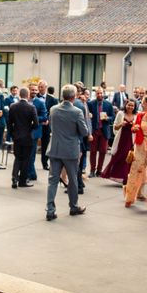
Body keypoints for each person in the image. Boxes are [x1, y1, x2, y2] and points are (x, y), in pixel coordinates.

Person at [45, 84, 89, 221]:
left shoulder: (53, 109)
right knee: (73, 180)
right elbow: (84, 132)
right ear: (74, 96)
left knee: (52, 180)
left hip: (55, 148)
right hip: (70, 150)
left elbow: (51, 126)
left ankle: (50, 210)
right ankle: (73, 206)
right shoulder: (77, 112)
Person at [7, 87, 38, 188]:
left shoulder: (13, 106)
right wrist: (29, 128)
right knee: (25, 159)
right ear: (28, 95)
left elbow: (9, 123)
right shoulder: (31, 107)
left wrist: (12, 134)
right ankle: (22, 181)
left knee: (17, 158)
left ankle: (14, 178)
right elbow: (36, 124)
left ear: (19, 95)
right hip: (27, 136)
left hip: (16, 136)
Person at [101, 99, 136, 184]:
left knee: (129, 157)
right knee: (120, 156)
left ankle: (126, 177)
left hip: (131, 139)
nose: (130, 107)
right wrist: (121, 124)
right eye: (129, 105)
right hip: (121, 138)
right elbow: (115, 127)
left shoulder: (137, 115)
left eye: (132, 105)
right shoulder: (121, 113)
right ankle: (118, 175)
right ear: (125, 105)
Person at [87, 87, 114, 177]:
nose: (99, 95)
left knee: (103, 151)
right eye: (98, 93)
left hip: (104, 130)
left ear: (103, 93)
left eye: (101, 93)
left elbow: (112, 117)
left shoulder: (108, 104)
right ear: (95, 94)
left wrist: (108, 118)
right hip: (94, 130)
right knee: (93, 151)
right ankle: (92, 170)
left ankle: (99, 170)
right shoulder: (90, 104)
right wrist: (89, 116)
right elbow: (87, 116)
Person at [27, 82, 48, 181]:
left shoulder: (40, 102)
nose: (34, 92)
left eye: (36, 90)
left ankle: (29, 174)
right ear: (28, 90)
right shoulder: (24, 101)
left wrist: (33, 119)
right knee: (24, 154)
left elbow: (44, 117)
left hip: (34, 131)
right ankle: (32, 174)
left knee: (31, 154)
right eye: (32, 90)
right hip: (23, 131)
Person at [38, 80, 58, 171]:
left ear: (46, 88)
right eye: (39, 87)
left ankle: (45, 163)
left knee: (45, 145)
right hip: (37, 124)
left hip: (47, 125)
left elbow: (55, 113)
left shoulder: (52, 99)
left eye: (42, 87)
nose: (40, 89)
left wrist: (48, 121)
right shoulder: (35, 97)